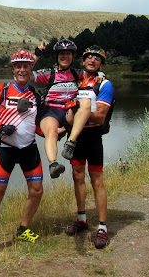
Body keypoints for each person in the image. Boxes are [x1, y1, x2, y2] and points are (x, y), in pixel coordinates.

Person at [0, 50, 44, 260]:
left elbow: (39, 125)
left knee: (37, 191)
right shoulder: (2, 90)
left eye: (26, 65)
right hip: (6, 150)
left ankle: (23, 229)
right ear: (13, 69)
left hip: (29, 149)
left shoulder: (35, 94)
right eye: (18, 66)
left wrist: (56, 132)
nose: (22, 69)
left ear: (31, 68)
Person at [63, 45, 114, 249]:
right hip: (75, 134)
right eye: (88, 58)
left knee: (97, 181)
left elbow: (100, 116)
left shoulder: (105, 84)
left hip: (92, 136)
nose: (92, 61)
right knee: (77, 177)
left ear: (101, 64)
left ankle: (102, 227)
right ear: (83, 62)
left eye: (97, 59)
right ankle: (82, 219)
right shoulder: (74, 83)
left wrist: (80, 111)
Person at [32, 39, 94, 179]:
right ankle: (53, 164)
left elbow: (92, 74)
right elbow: (27, 74)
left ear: (73, 57)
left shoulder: (77, 74)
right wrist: (37, 55)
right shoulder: (49, 73)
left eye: (68, 53)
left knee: (85, 102)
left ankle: (70, 143)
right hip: (50, 111)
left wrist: (100, 76)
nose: (65, 57)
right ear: (57, 56)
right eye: (61, 54)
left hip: (68, 112)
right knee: (51, 131)